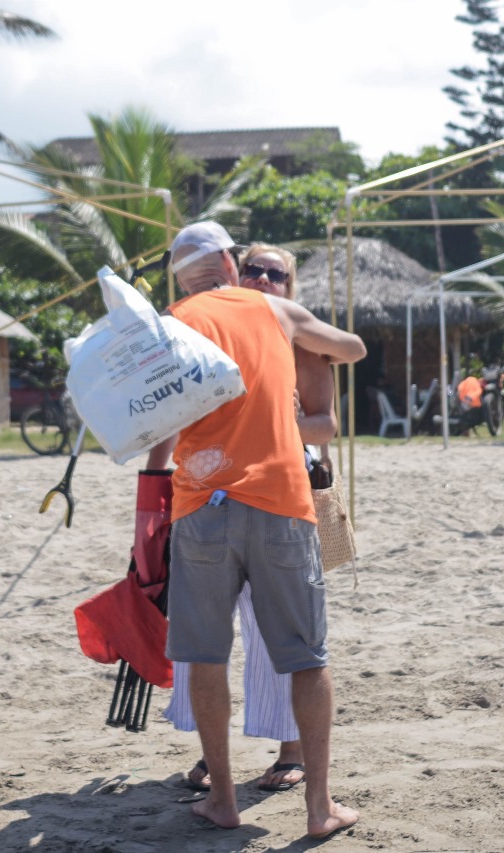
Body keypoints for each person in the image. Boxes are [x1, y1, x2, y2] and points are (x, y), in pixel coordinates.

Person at [146, 222, 365, 837]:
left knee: (206, 655)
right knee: (306, 657)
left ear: (180, 277)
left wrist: (148, 490)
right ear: (227, 260)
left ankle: (222, 799)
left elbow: (150, 417)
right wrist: (307, 335)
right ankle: (319, 808)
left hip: (201, 505)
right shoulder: (272, 309)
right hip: (278, 502)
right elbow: (353, 349)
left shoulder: (168, 322)